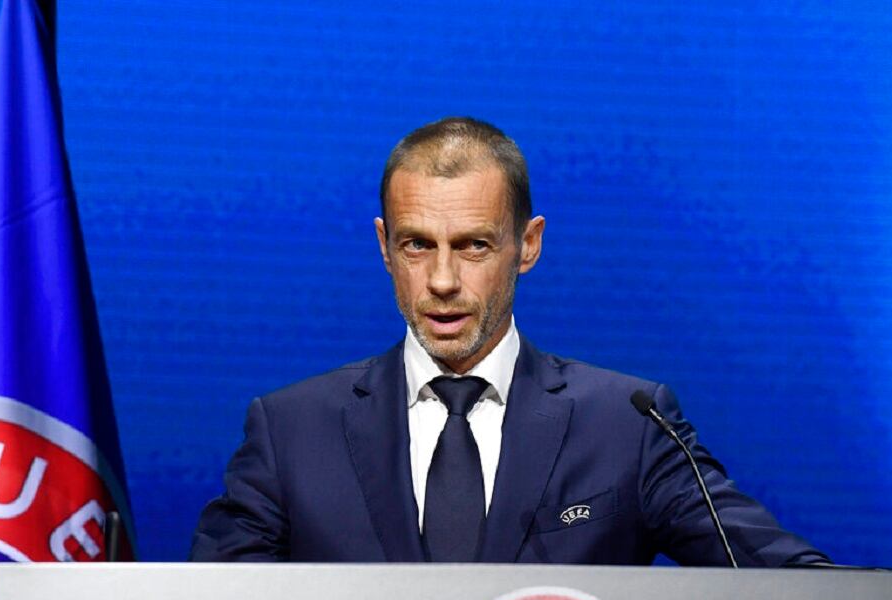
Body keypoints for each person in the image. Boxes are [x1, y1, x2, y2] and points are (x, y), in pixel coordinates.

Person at [191, 117, 826, 567]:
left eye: (473, 246)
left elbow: (776, 578)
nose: (442, 281)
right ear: (384, 246)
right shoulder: (291, 430)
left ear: (528, 246)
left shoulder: (628, 425)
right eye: (418, 245)